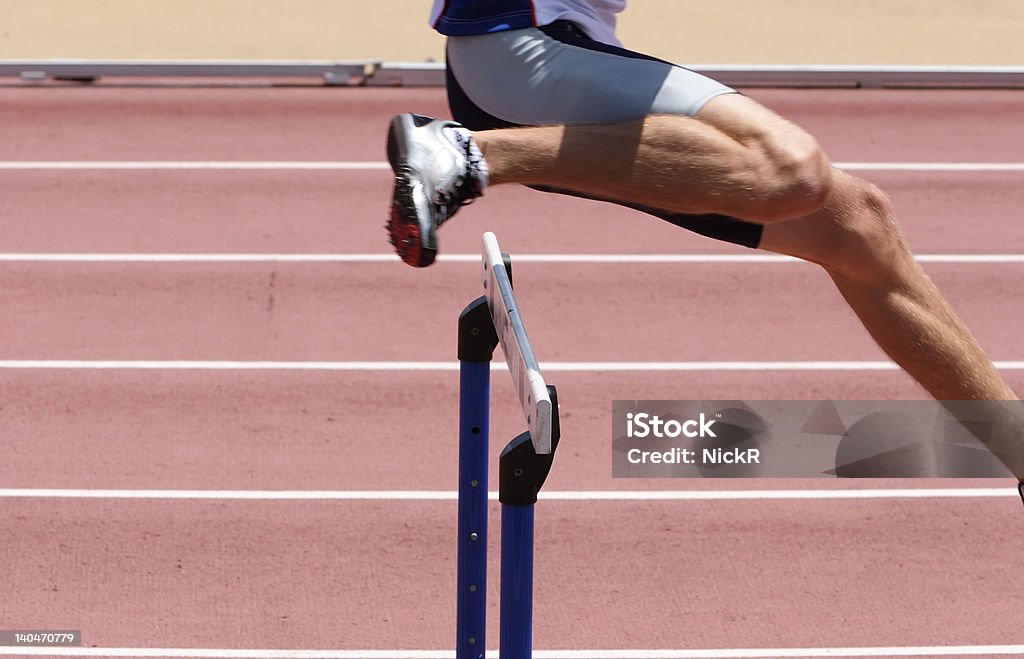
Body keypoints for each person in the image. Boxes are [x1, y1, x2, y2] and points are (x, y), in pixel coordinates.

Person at [386, 0, 1024, 493]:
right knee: (787, 166)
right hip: (522, 50)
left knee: (859, 227)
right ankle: (465, 154)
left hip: (549, 53)